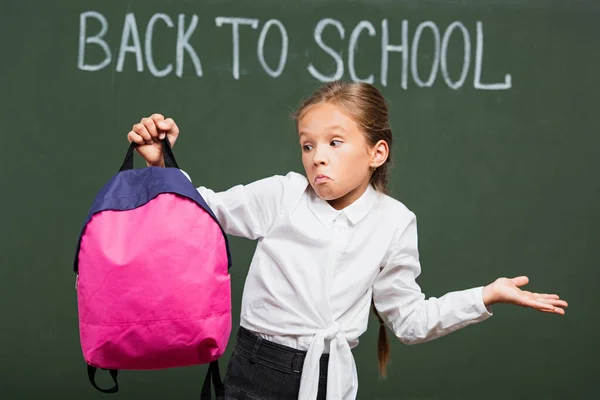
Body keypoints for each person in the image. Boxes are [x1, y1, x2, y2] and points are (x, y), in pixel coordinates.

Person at [126, 81, 568, 400]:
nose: (317, 156)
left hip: (329, 379)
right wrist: (161, 163)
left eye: (335, 142)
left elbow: (409, 319)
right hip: (258, 371)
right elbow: (200, 213)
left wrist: (485, 296)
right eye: (307, 145)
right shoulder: (282, 195)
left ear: (377, 152)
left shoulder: (395, 222)